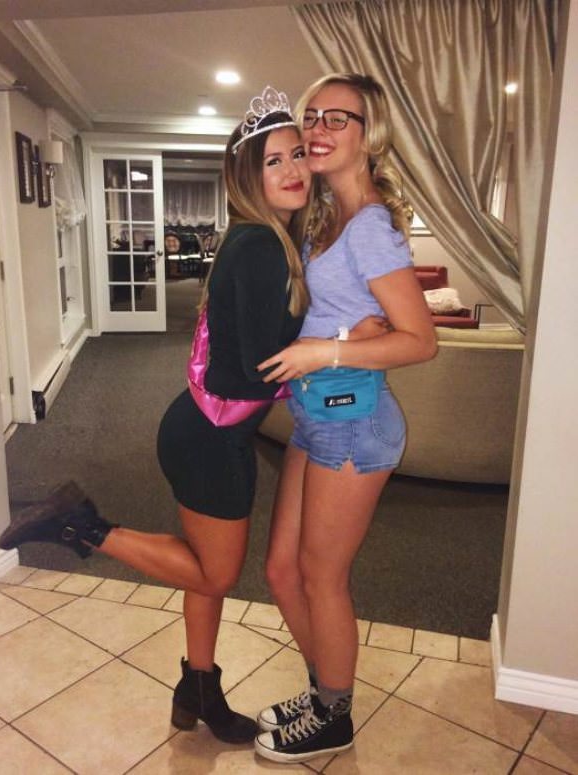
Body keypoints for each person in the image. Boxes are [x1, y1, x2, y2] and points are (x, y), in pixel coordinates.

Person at [0, 86, 311, 746]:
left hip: (201, 426)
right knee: (215, 572)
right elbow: (259, 366)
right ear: (248, 176)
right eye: (273, 160)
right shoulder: (260, 244)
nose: (292, 169)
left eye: (297, 155)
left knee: (202, 567)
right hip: (212, 436)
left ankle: (198, 689)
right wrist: (331, 350)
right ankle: (80, 525)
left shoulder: (258, 238)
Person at [252, 73, 438, 764]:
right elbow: (342, 309)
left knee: (321, 576)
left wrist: (326, 349)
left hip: (352, 420)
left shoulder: (370, 228)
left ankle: (334, 714)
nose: (318, 128)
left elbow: (421, 341)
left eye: (339, 117)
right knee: (281, 570)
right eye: (313, 115)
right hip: (316, 414)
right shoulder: (329, 215)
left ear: (369, 134)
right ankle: (322, 688)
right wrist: (348, 331)